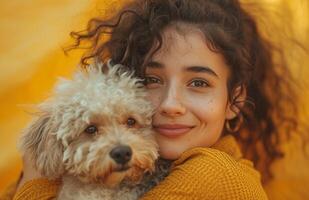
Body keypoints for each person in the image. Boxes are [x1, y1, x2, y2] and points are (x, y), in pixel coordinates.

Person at [3, 0, 305, 199]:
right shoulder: (155, 170)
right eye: (151, 80)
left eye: (198, 83)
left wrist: (35, 181)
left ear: (235, 99)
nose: (170, 104)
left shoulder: (212, 175)